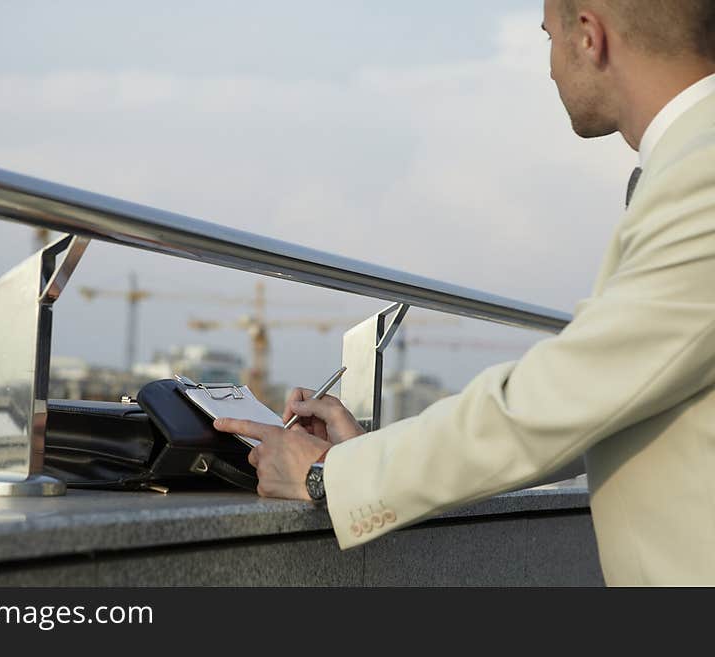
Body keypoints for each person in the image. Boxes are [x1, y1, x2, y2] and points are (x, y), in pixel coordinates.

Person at [215, 0, 715, 586]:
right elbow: (615, 400)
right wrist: (367, 456)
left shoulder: (700, 179)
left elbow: (557, 401)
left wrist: (334, 475)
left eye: (547, 38)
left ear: (588, 36)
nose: (551, 69)